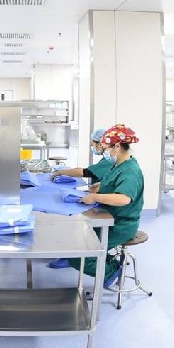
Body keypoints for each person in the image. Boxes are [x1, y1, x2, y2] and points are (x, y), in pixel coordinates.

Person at [52, 124, 144, 289]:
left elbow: (123, 198)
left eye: (106, 148)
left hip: (121, 225)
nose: (104, 151)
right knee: (75, 240)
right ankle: (109, 262)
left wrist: (95, 197)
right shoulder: (119, 164)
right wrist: (101, 186)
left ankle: (111, 271)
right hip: (107, 217)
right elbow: (113, 182)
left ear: (117, 146)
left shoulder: (130, 171)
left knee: (78, 255)